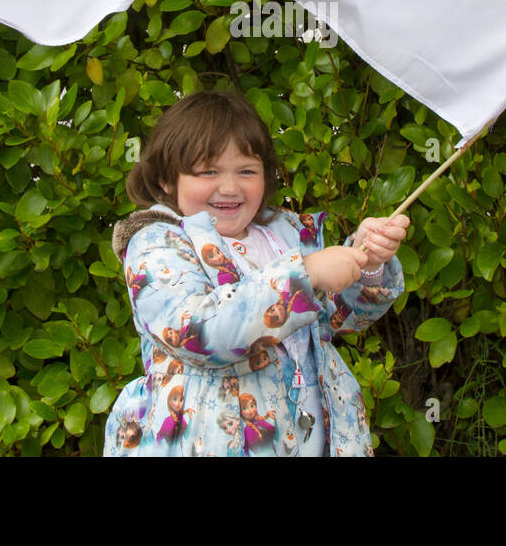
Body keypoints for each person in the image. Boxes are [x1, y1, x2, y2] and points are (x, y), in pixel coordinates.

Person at [104, 89, 407, 456]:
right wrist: (305, 276)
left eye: (247, 170)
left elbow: (338, 319)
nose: (230, 187)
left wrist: (367, 262)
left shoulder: (288, 237)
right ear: (167, 180)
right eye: (208, 171)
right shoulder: (158, 244)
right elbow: (197, 333)